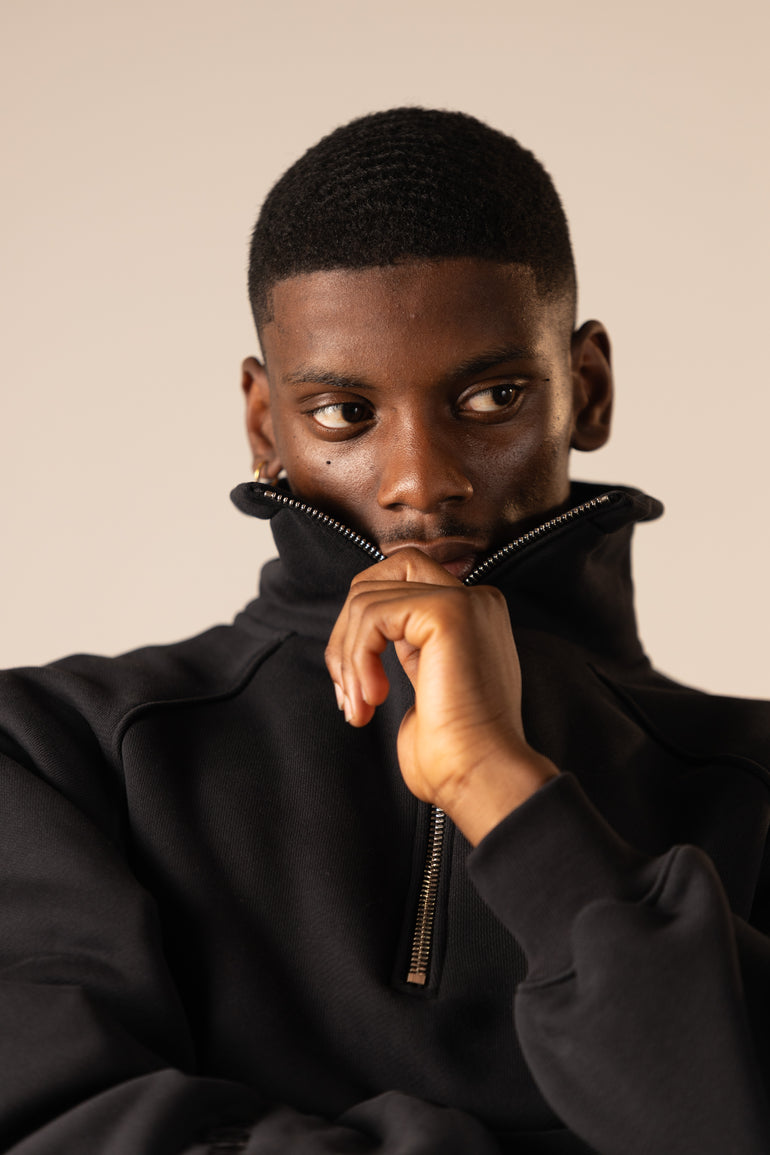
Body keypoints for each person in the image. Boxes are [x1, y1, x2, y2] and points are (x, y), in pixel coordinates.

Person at [1, 107, 769, 1155]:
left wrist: (499, 783)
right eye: (343, 414)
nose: (422, 480)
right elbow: (50, 1122)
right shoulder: (51, 752)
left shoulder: (754, 780)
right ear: (263, 421)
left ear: (585, 390)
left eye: (492, 397)